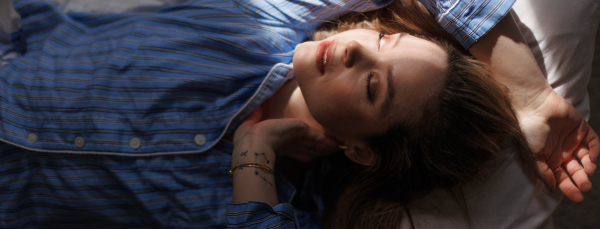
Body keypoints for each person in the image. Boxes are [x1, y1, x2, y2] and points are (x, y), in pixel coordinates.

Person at [0, 0, 596, 228]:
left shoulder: (267, 204)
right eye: (382, 40)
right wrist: (531, 97)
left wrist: (252, 153)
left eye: (371, 87)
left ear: (361, 150)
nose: (357, 46)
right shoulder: (270, 18)